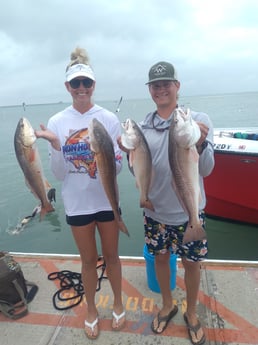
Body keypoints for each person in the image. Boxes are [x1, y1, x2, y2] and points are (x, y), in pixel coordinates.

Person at [119, 61, 214, 345]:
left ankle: (193, 311)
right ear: (150, 91)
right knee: (161, 258)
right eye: (155, 86)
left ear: (177, 86)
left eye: (166, 84)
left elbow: (207, 169)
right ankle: (167, 304)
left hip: (190, 213)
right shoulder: (144, 127)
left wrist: (201, 144)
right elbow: (137, 173)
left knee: (192, 264)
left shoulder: (196, 120)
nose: (161, 90)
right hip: (156, 212)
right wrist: (128, 154)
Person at [35, 47, 125, 339]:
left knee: (112, 257)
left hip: (107, 201)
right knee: (88, 261)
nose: (82, 88)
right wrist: (55, 146)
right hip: (77, 205)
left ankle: (119, 303)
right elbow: (59, 174)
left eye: (87, 83)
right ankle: (91, 310)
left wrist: (120, 154)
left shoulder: (108, 119)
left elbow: (118, 168)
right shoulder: (59, 122)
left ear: (94, 85)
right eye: (76, 84)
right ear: (68, 87)